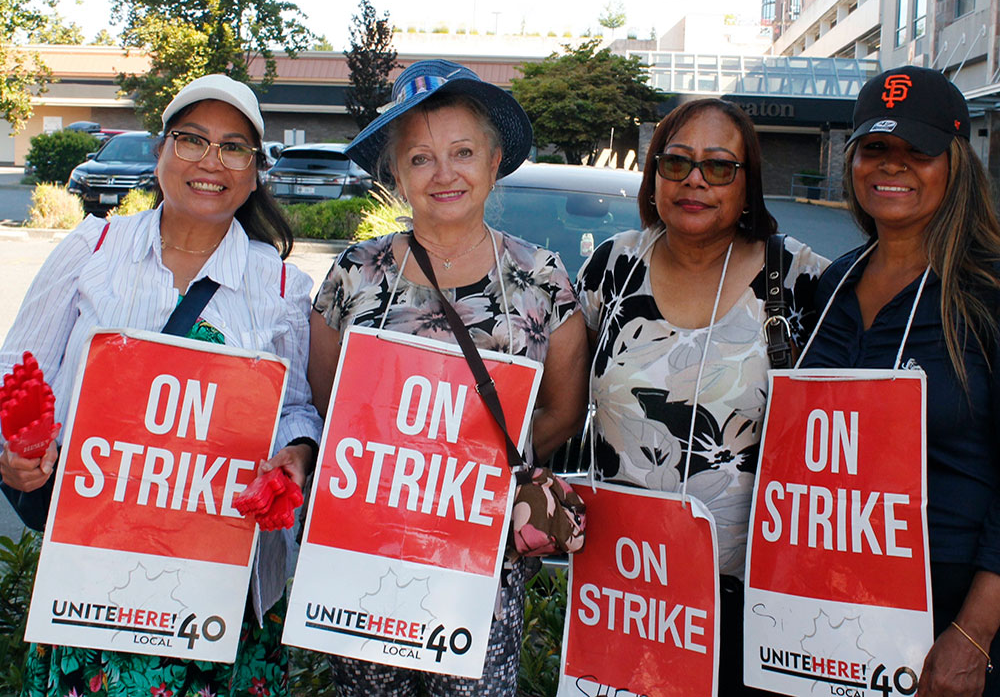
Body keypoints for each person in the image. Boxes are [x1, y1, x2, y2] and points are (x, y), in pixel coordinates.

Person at [0, 74, 323, 697]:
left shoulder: (282, 288)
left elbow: (296, 410)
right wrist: (18, 453)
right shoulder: (93, 249)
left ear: (254, 172)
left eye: (234, 147)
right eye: (191, 139)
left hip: (221, 589)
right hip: (95, 580)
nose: (211, 161)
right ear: (159, 155)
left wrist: (295, 458)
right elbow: (19, 371)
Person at [308, 58, 588, 696]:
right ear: (398, 176)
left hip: (482, 567)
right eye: (420, 158)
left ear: (494, 162)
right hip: (365, 562)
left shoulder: (540, 278)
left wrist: (485, 475)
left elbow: (562, 411)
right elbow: (328, 397)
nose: (445, 174)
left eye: (463, 152)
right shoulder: (357, 273)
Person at [575, 98, 828, 694]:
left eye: (718, 167)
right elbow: (562, 400)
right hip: (620, 583)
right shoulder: (613, 265)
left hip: (748, 591)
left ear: (748, 185)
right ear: (654, 174)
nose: (694, 180)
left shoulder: (798, 278)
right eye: (676, 162)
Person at [798, 66, 1000, 697]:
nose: (893, 166)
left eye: (920, 152)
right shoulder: (832, 284)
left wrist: (974, 633)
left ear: (958, 163)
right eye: (877, 149)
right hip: (830, 602)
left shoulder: (989, 291)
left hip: (949, 611)